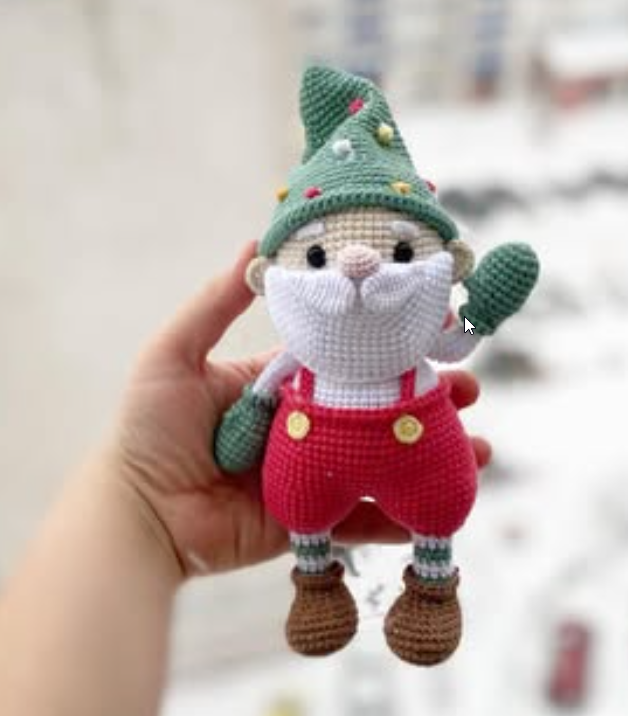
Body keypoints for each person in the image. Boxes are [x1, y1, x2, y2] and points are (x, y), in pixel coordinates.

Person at [0, 241, 490, 716]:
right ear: (265, 278)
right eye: (316, 256)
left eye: (402, 253)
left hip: (415, 453)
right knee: (301, 506)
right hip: (313, 455)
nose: (357, 266)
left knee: (438, 504)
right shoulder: (299, 354)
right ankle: (316, 586)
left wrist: (479, 315)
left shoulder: (424, 333)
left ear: (449, 262)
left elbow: (458, 340)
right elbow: (260, 395)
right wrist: (230, 435)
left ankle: (432, 591)